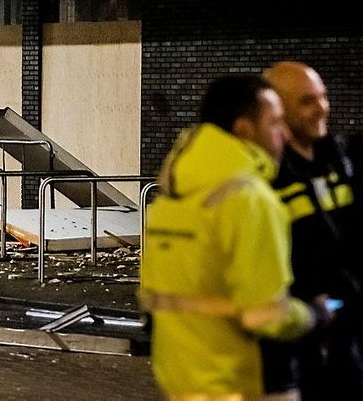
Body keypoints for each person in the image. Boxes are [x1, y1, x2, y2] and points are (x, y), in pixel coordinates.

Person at [141, 74, 330, 399]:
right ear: (244, 128)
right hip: (240, 383)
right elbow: (266, 317)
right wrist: (314, 314)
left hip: (181, 382)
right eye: (274, 123)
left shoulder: (174, 191)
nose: (284, 134)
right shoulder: (249, 199)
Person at [264, 61, 363, 401]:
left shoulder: (341, 162)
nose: (321, 107)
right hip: (298, 343)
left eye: (323, 97)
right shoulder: (267, 176)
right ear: (276, 108)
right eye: (307, 100)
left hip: (349, 337)